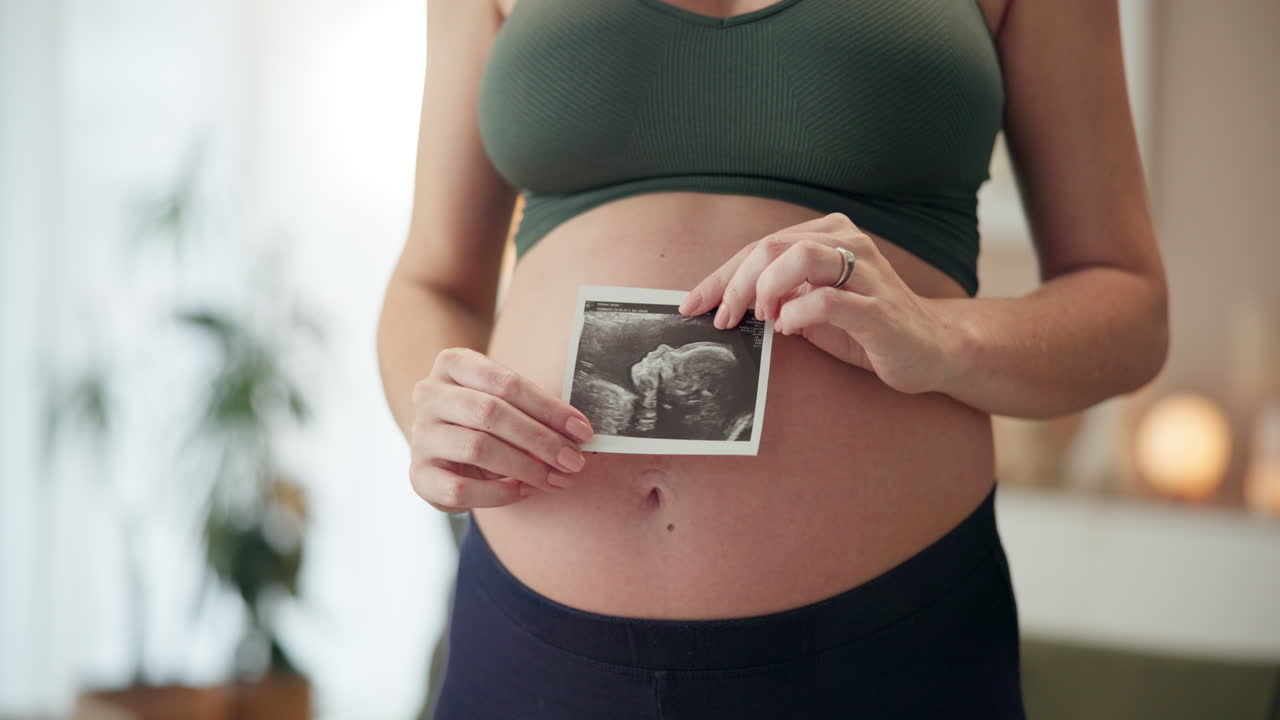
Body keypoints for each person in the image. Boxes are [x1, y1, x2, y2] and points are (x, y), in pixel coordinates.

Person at [376, 0, 1169, 716]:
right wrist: (434, 403)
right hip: (532, 649)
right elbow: (430, 280)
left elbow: (1130, 306)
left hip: (886, 650)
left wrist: (941, 336)